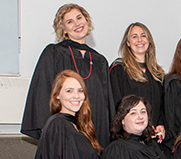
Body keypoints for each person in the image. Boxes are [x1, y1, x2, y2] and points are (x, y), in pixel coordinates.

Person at [21, 3, 113, 148]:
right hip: (65, 130)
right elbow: (42, 91)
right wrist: (47, 128)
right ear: (63, 29)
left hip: (97, 130)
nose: (77, 23)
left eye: (79, 18)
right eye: (70, 21)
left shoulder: (100, 60)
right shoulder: (53, 53)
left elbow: (107, 101)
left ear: (86, 20)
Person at [109, 22, 166, 142]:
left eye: (143, 35)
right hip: (129, 138)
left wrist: (160, 124)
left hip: (152, 137)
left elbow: (161, 105)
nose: (140, 40)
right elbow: (116, 103)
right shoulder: (119, 69)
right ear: (128, 43)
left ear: (149, 41)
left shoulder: (157, 73)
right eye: (134, 36)